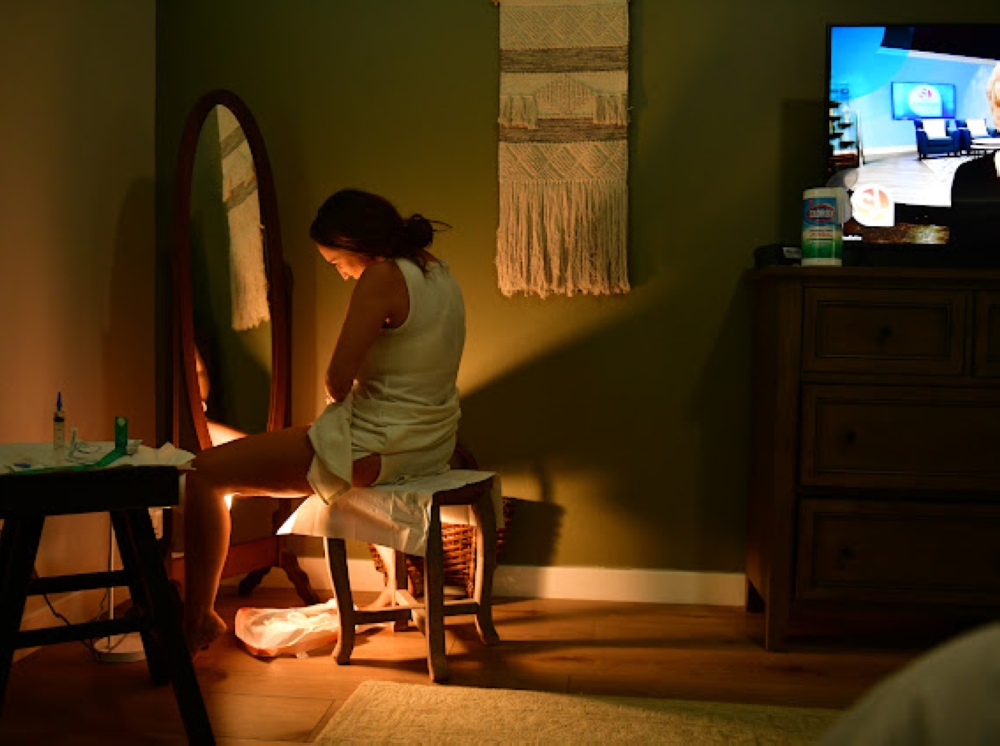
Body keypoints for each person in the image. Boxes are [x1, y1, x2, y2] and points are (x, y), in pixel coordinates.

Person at [181, 189, 465, 654]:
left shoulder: (381, 277)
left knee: (204, 474)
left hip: (376, 448)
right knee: (260, 452)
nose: (342, 274)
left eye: (337, 263)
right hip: (428, 444)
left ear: (356, 245)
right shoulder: (438, 273)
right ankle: (199, 614)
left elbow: (337, 379)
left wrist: (345, 393)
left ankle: (197, 620)